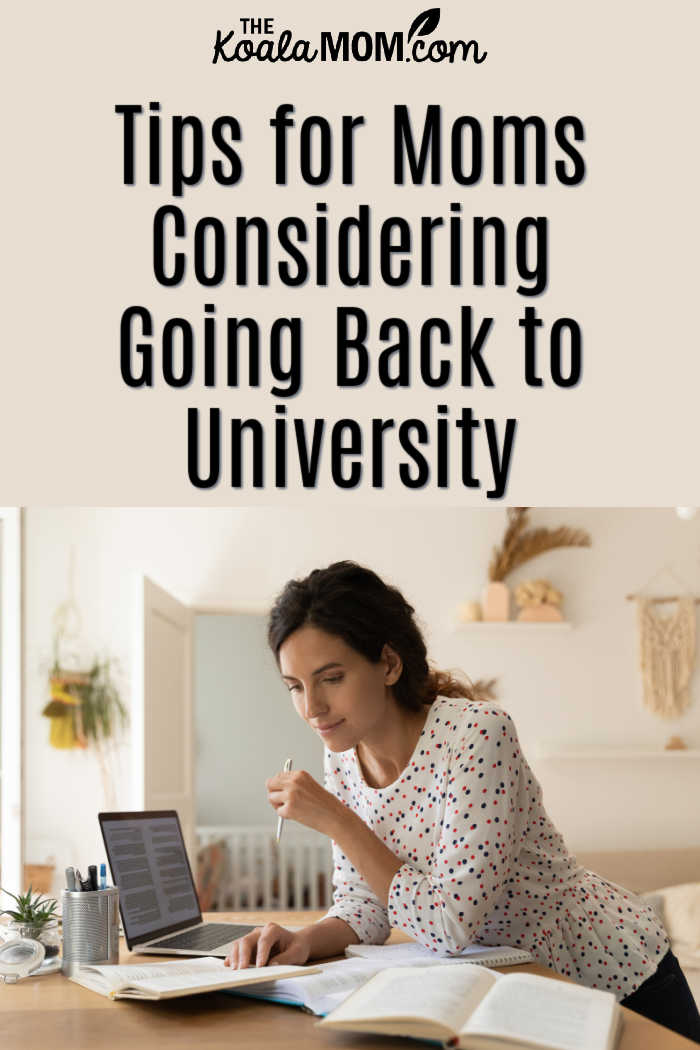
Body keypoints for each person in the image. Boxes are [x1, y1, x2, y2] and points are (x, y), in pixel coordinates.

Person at [225, 561, 700, 1043]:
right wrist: (303, 941)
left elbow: (448, 924)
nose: (311, 709)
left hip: (611, 973)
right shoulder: (343, 756)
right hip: (507, 983)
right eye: (295, 687)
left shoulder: (477, 735)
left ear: (389, 663)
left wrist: (337, 820)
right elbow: (366, 905)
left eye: (330, 678)